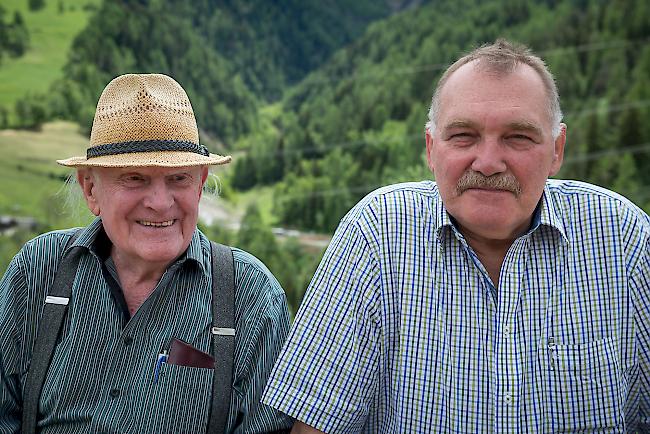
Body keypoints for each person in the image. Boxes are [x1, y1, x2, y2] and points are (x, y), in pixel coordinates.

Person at [262, 39, 650, 432]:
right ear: (431, 149)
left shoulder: (624, 238)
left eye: (518, 137)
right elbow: (316, 426)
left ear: (556, 149)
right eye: (463, 135)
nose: (487, 162)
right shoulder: (376, 233)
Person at [0, 73, 293, 433]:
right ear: (90, 188)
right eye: (134, 178)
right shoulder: (38, 271)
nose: (159, 203)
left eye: (178, 178)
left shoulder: (250, 297)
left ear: (200, 185)